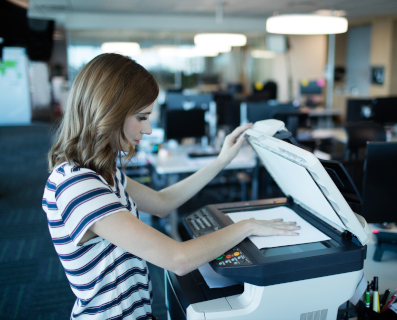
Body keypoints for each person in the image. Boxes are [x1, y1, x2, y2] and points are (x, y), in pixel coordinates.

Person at [42, 53, 300, 319]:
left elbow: (162, 203)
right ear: (108, 112)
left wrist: (222, 160)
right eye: (141, 117)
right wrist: (248, 225)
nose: (149, 128)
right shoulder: (78, 186)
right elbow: (179, 259)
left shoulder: (102, 173)